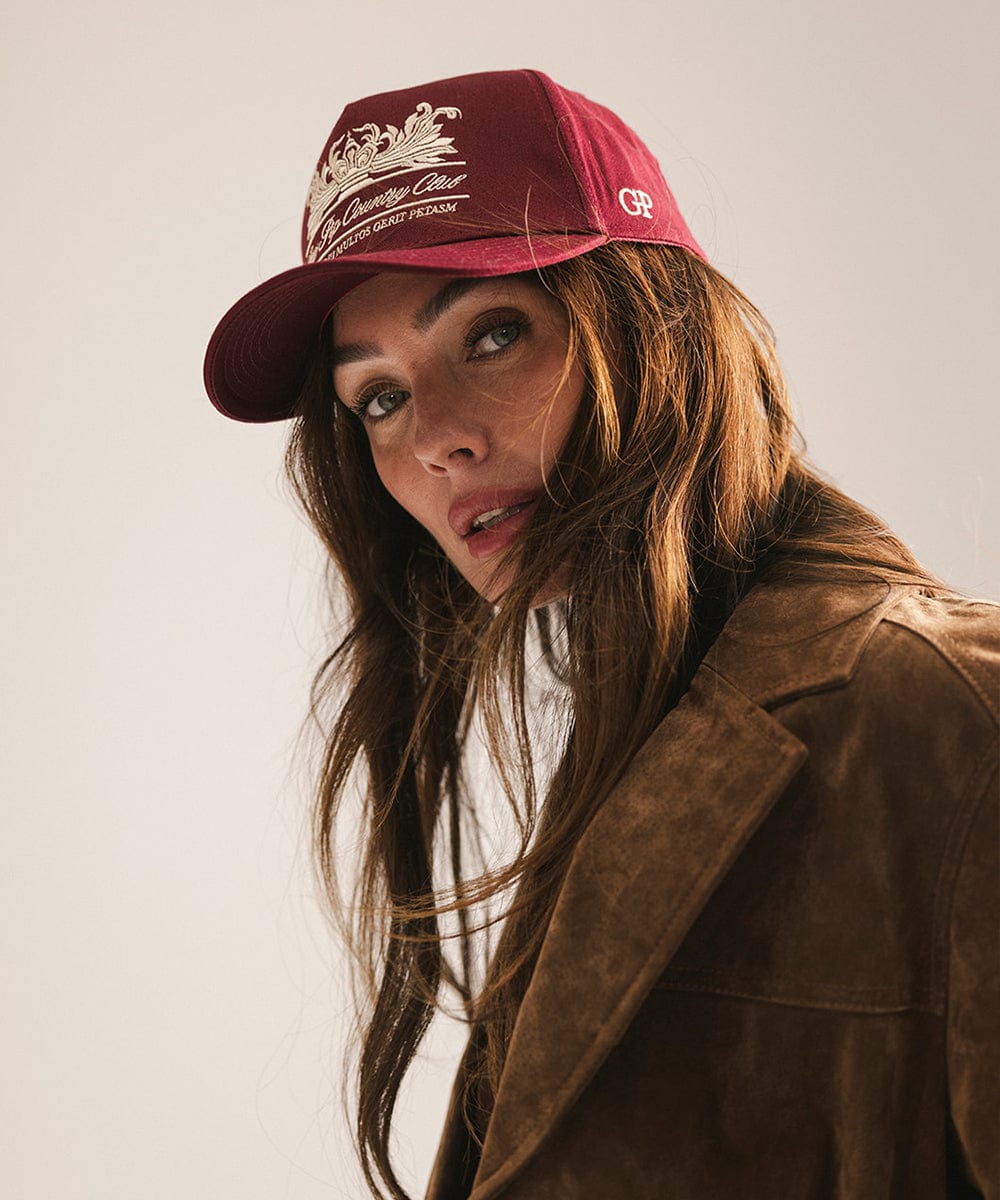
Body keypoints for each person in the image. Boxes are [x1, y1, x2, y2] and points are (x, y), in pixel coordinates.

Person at [204, 69, 999, 1200]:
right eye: (376, 398)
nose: (432, 440)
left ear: (657, 325)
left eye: (489, 336)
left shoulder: (953, 718)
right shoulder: (631, 752)